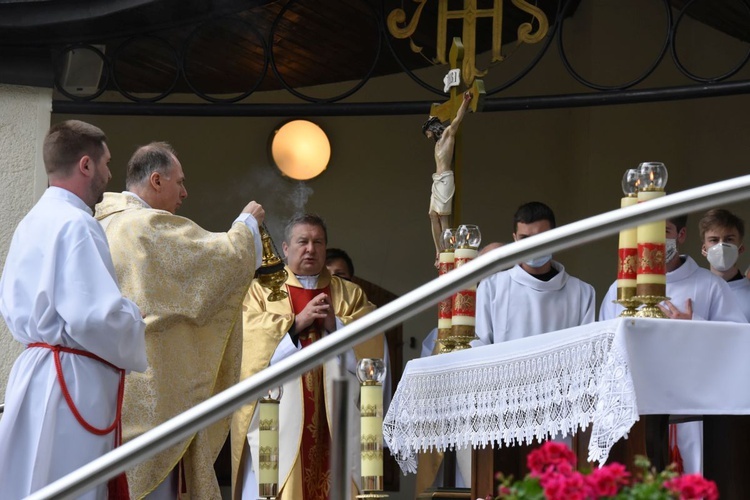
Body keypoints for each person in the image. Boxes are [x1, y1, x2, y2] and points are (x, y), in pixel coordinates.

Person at [95, 142, 265, 499]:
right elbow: (219, 262)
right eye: (180, 182)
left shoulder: (104, 225)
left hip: (113, 386)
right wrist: (246, 226)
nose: (185, 193)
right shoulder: (146, 226)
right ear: (156, 180)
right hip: (153, 385)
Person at [0, 120, 148, 500]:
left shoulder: (30, 222)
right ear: (86, 165)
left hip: (34, 372)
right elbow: (93, 316)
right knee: (71, 485)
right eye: (107, 163)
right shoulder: (78, 223)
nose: (110, 173)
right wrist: (134, 316)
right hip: (71, 380)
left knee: (31, 481)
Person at [233, 213, 384, 500]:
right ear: (286, 248)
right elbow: (246, 346)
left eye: (318, 242)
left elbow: (373, 352)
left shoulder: (349, 294)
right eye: (302, 242)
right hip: (279, 421)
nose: (311, 249)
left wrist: (335, 326)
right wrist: (295, 324)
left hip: (336, 420)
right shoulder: (262, 292)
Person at [599, 214, 745, 475]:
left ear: (681, 235)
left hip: (694, 409)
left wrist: (695, 324)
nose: (654, 239)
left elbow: (738, 345)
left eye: (664, 230)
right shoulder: (621, 288)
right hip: (636, 409)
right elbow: (604, 347)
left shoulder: (710, 285)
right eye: (647, 230)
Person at [474, 202, 596, 346]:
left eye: (540, 237)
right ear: (515, 239)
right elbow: (479, 350)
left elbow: (588, 353)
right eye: (524, 238)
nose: (532, 246)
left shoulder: (582, 293)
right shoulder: (491, 288)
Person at [424, 90, 473, 267]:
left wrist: (464, 103)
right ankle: (438, 250)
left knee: (443, 217)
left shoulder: (447, 136)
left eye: (427, 131)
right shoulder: (436, 143)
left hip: (445, 179)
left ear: (432, 128)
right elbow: (433, 115)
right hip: (437, 179)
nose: (426, 134)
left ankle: (447, 251)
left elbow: (457, 120)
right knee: (432, 214)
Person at [698, 208, 750, 321]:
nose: (721, 246)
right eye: (714, 240)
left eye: (729, 239)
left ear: (740, 249)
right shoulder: (694, 289)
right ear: (704, 249)